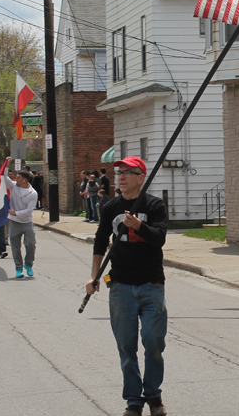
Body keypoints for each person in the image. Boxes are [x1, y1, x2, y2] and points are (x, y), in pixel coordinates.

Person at [86, 156, 168, 416]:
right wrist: (94, 276)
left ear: (141, 177)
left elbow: (159, 239)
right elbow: (100, 241)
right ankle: (134, 400)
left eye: (128, 173)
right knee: (126, 346)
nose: (121, 177)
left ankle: (154, 395)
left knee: (153, 342)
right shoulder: (110, 207)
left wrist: (138, 226)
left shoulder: (155, 205)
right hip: (120, 285)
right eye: (119, 172)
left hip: (151, 284)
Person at [5, 158, 38, 278]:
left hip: (26, 222)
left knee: (30, 244)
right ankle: (18, 267)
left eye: (18, 177)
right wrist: (7, 165)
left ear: (24, 180)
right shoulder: (14, 187)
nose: (15, 179)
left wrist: (16, 213)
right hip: (14, 222)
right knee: (15, 247)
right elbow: (4, 177)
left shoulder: (32, 193)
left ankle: (28, 264)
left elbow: (29, 210)